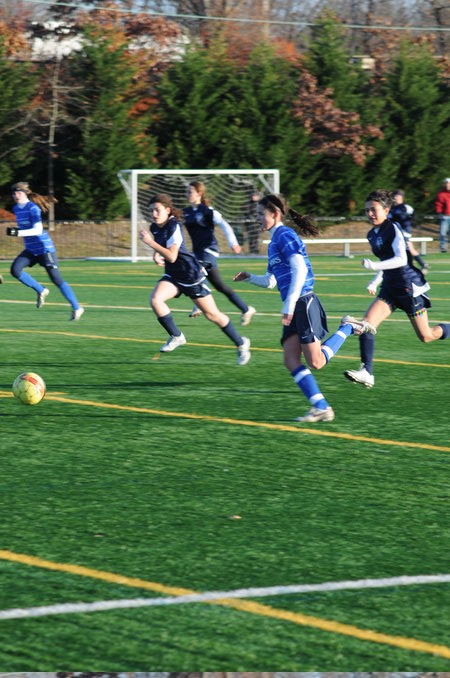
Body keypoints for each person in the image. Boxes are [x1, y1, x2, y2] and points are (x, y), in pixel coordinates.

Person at [233, 193, 375, 423]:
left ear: (275, 214)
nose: (256, 218)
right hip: (294, 306)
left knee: (316, 362)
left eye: (260, 214)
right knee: (290, 359)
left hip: (303, 302)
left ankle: (348, 327)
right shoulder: (273, 243)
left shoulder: (285, 235)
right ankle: (321, 407)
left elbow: (300, 268)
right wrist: (249, 278)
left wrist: (289, 304)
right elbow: (271, 281)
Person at [344, 189, 450, 389]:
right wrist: (375, 281)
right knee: (366, 324)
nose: (370, 214)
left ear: (386, 210)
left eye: (374, 209)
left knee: (426, 336)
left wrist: (374, 266)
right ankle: (367, 372)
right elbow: (387, 261)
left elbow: (401, 259)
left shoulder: (393, 228)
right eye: (367, 210)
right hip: (390, 288)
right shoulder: (371, 234)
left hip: (408, 288)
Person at [139, 193, 251, 366]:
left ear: (167, 210)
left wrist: (150, 243)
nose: (154, 214)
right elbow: (163, 245)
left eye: (157, 210)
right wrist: (156, 254)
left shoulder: (174, 226)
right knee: (156, 300)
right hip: (173, 275)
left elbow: (172, 256)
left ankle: (241, 343)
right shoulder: (155, 227)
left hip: (190, 275)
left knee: (213, 315)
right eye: (151, 210)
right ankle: (177, 336)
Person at [8, 182, 84, 321]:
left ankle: (76, 307)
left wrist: (18, 233)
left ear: (25, 193)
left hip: (45, 249)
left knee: (56, 279)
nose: (16, 195)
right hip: (31, 250)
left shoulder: (33, 208)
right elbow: (26, 229)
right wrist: (18, 231)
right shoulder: (16, 208)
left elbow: (37, 230)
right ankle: (41, 290)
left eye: (19, 193)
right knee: (15, 270)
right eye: (14, 193)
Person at [183, 181, 256, 326]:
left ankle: (199, 303)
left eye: (190, 191)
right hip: (197, 252)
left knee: (197, 270)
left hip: (209, 249)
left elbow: (225, 225)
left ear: (199, 193)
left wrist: (233, 243)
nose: (187, 194)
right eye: (187, 191)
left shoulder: (208, 211)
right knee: (220, 286)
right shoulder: (186, 212)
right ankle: (246, 309)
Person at [389, 189, 429, 274]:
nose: (396, 197)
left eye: (398, 195)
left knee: (408, 249)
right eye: (395, 195)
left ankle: (420, 265)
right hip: (396, 232)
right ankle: (420, 265)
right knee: (408, 249)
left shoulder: (406, 207)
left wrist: (413, 223)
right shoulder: (392, 208)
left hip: (404, 232)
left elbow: (414, 216)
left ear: (402, 197)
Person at [435, 177, 450, 253]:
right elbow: (438, 204)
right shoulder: (441, 194)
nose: (448, 185)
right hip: (445, 216)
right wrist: (439, 213)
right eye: (446, 183)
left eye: (449, 183)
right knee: (442, 232)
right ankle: (443, 247)